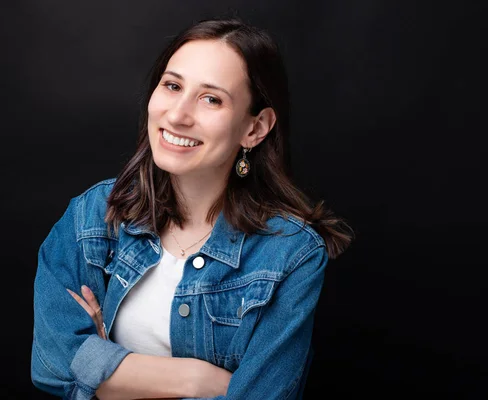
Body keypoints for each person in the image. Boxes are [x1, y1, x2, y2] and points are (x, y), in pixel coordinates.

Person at [31, 16, 354, 400]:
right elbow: (52, 364)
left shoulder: (290, 253)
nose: (178, 115)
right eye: (172, 86)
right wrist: (199, 380)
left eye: (211, 99)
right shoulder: (95, 215)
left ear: (255, 128)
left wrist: (106, 372)